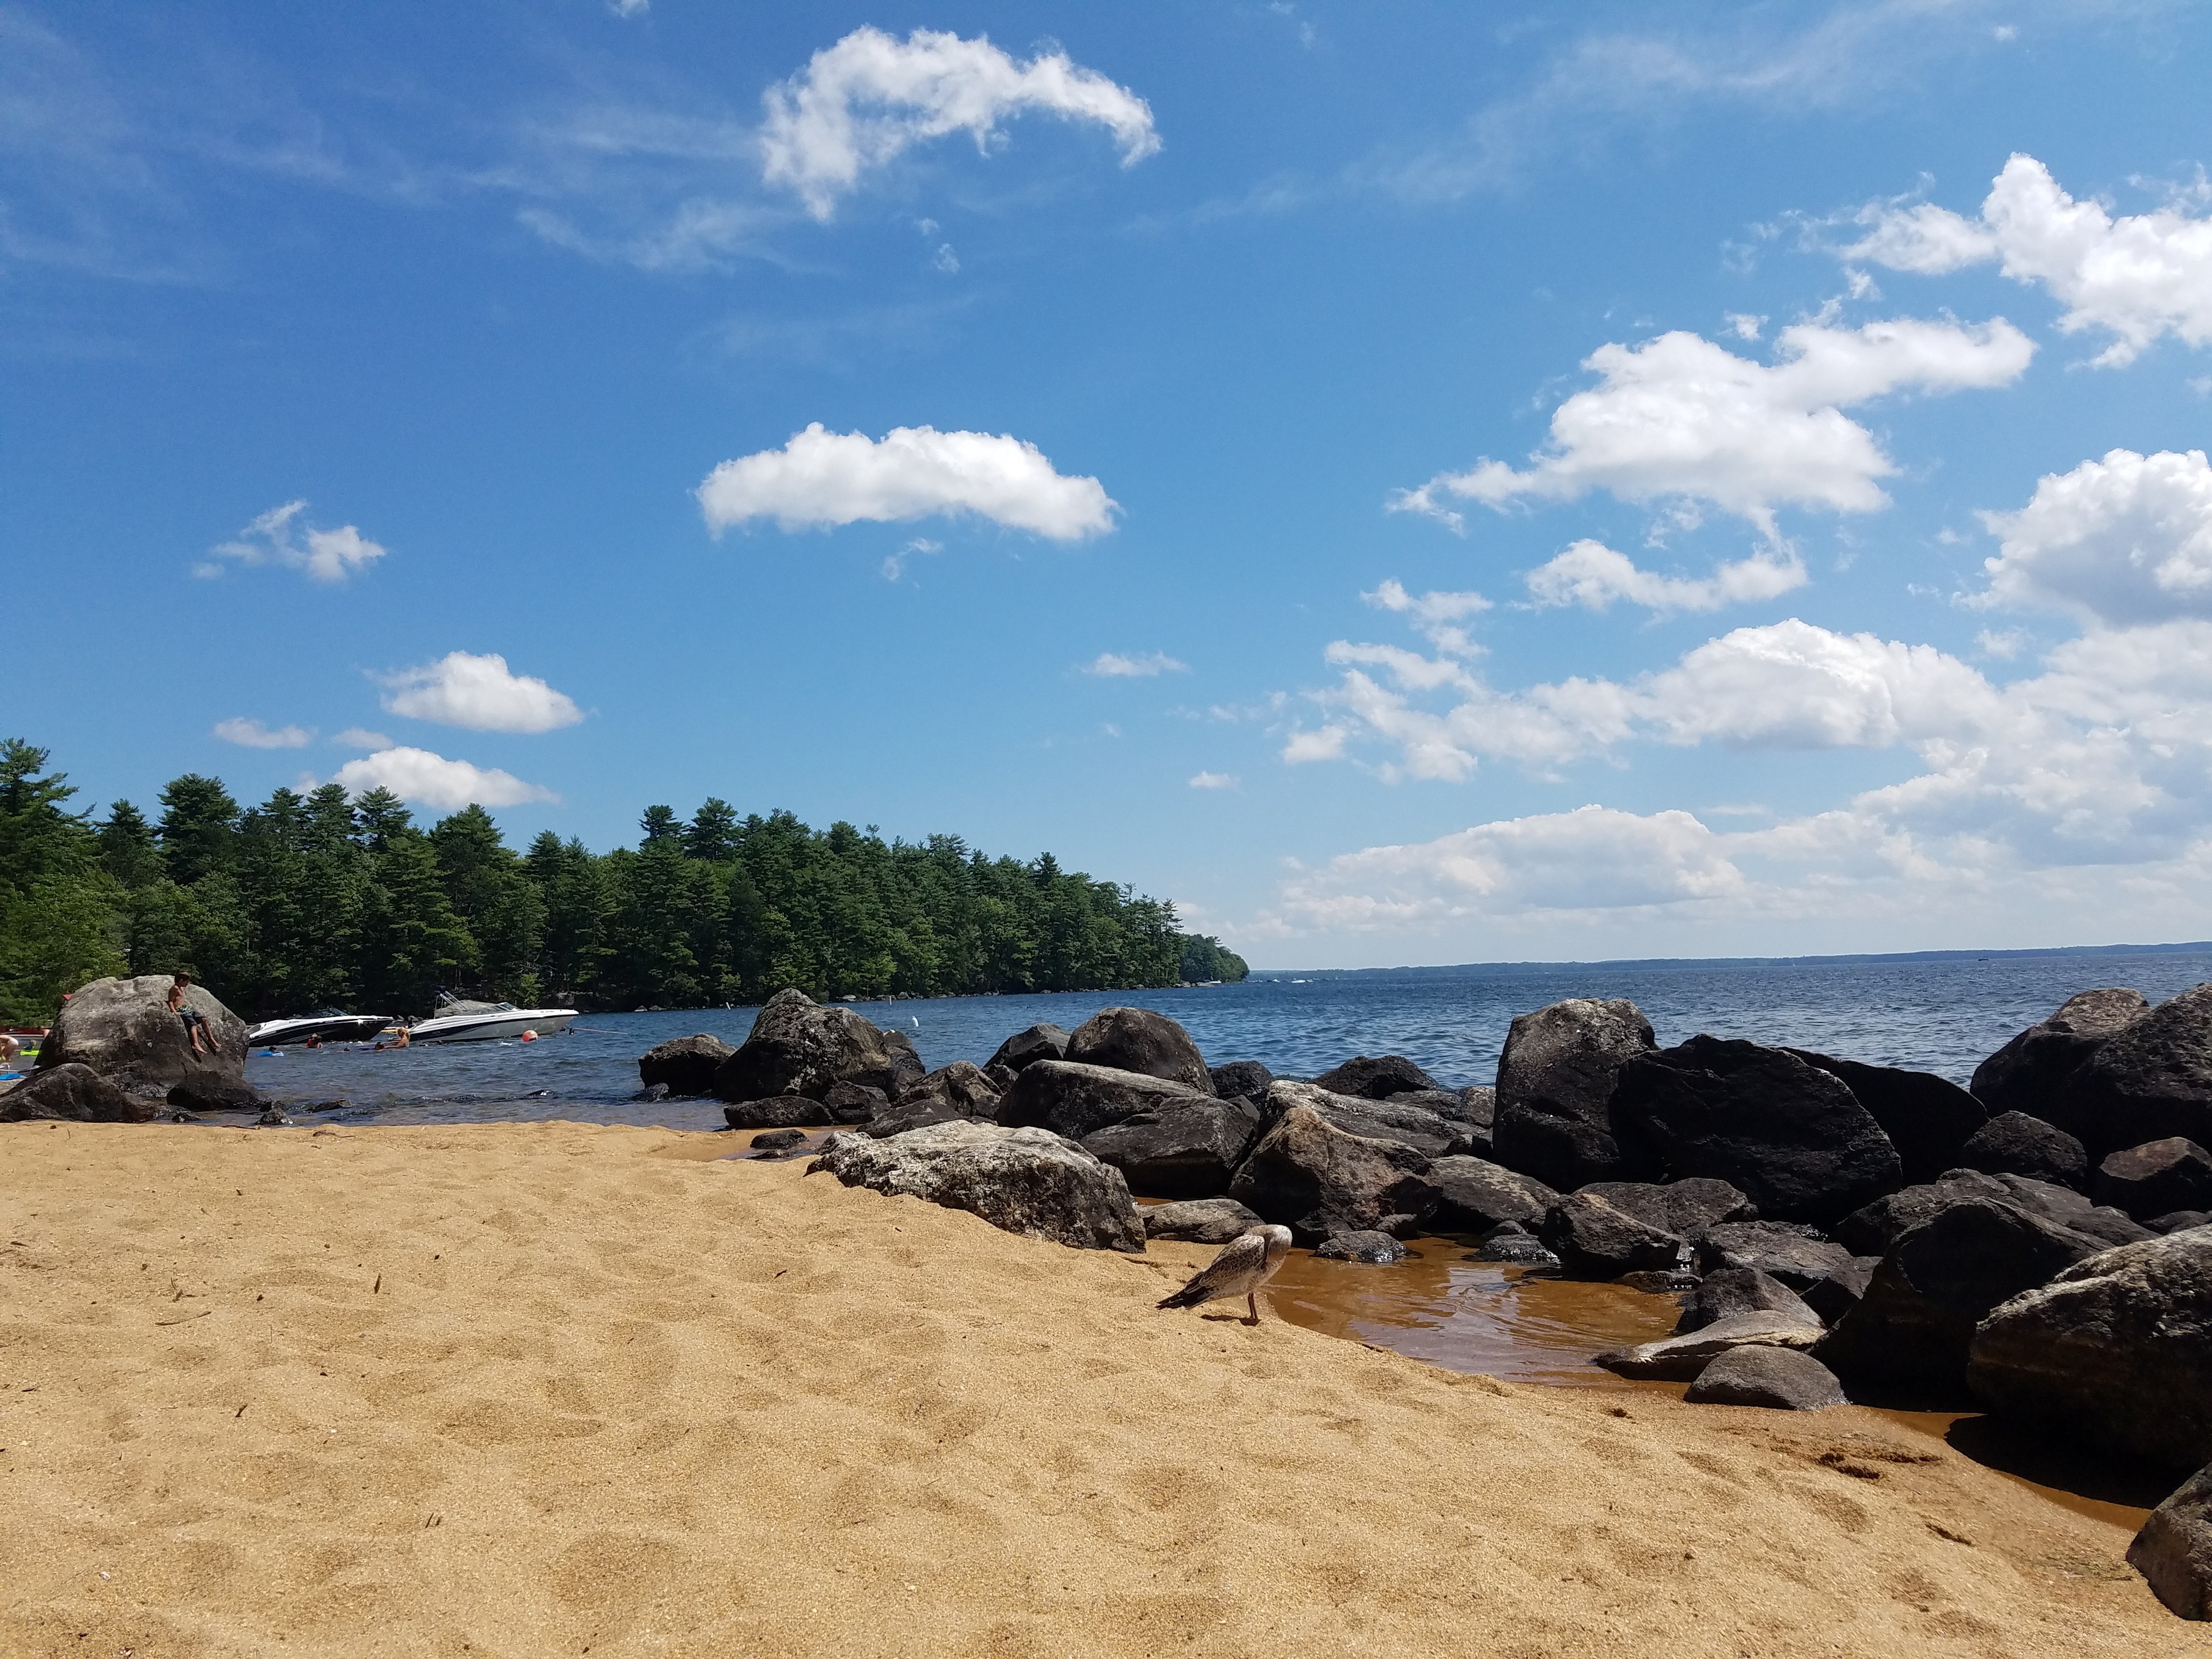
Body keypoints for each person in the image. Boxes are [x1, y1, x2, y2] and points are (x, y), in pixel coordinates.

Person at [168, 973, 212, 1057]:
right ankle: (196, 1044)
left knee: (204, 1019)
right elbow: (170, 1001)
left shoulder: (181, 988)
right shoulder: (175, 988)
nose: (188, 984)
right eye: (187, 982)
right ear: (181, 981)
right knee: (194, 1025)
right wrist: (174, 1011)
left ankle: (211, 1039)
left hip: (187, 1008)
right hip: (181, 1009)